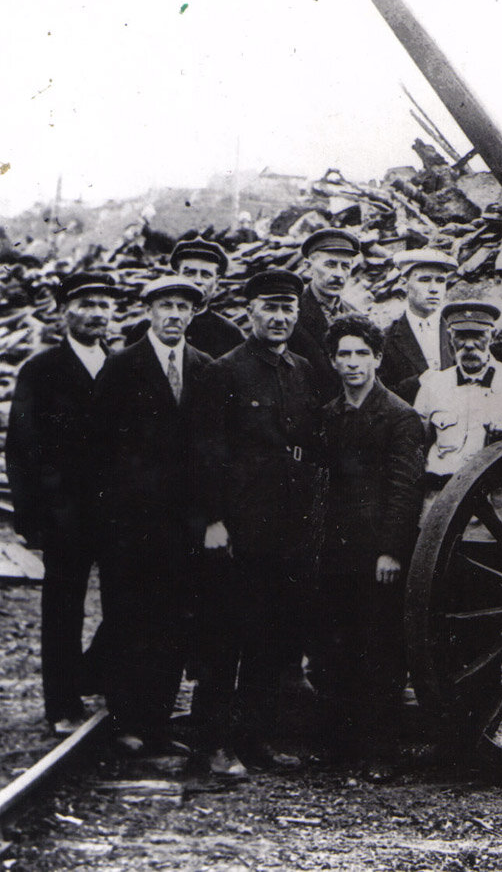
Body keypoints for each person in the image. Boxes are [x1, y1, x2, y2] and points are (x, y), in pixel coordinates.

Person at [191, 270, 325, 775]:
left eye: (288, 307)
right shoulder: (223, 371)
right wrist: (213, 520)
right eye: (269, 307)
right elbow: (204, 454)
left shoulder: (302, 370)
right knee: (227, 637)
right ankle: (213, 744)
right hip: (240, 527)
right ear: (249, 312)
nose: (280, 316)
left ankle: (255, 739)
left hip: (287, 528)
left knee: (272, 638)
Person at [93, 275, 211, 754]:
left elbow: (211, 449)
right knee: (129, 618)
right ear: (148, 311)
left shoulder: (204, 367)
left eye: (183, 307)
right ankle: (126, 722)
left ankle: (158, 722)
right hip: (130, 526)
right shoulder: (122, 367)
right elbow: (96, 451)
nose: (174, 316)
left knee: (174, 623)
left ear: (193, 314)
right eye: (165, 306)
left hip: (184, 527)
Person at [5, 271, 120, 734]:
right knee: (63, 607)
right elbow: (22, 446)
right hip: (64, 513)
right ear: (62, 311)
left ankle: (112, 686)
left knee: (123, 604)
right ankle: (62, 704)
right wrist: (33, 518)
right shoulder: (42, 369)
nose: (96, 313)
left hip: (116, 514)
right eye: (85, 303)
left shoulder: (121, 366)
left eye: (104, 305)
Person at [317, 314, 425, 781]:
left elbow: (406, 489)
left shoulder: (400, 416)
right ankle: (342, 746)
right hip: (336, 550)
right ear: (333, 361)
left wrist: (391, 551)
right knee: (336, 647)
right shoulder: (329, 414)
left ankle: (383, 751)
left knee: (381, 649)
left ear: (378, 359)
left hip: (378, 553)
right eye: (344, 354)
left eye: (362, 353)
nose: (353, 363)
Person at [414, 301, 502, 491]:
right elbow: (415, 447)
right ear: (450, 338)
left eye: (478, 335)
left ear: (492, 336)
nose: (469, 345)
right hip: (444, 504)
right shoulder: (432, 386)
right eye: (461, 336)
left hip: (500, 505)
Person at [122, 236, 244, 358]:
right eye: (189, 273)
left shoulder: (229, 334)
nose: (197, 280)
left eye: (206, 275)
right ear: (176, 276)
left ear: (216, 283)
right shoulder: (144, 329)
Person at [289, 227, 359, 401]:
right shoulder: (291, 313)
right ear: (307, 267)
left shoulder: (355, 316)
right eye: (330, 265)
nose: (338, 274)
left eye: (345, 266)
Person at [379, 248, 457, 403]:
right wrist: (418, 383)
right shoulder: (385, 338)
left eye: (440, 281)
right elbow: (378, 394)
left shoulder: (457, 332)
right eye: (425, 280)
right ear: (404, 284)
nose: (434, 289)